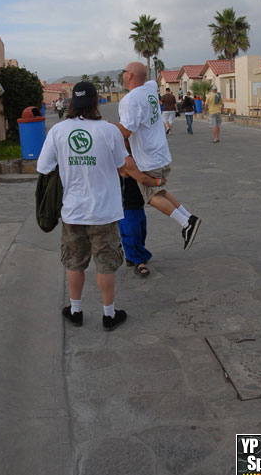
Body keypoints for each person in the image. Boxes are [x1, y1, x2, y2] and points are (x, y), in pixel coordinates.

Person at [37, 81, 129, 331]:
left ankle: (75, 310)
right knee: (106, 263)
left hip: (73, 210)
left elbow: (43, 167)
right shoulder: (110, 131)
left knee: (74, 262)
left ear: (71, 104)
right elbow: (122, 166)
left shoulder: (58, 130)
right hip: (104, 211)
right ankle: (109, 315)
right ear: (95, 102)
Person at [117, 62, 201, 251]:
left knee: (151, 196)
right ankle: (189, 216)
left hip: (148, 157)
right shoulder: (150, 88)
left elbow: (125, 132)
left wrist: (105, 128)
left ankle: (185, 223)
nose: (122, 74)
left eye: (124, 72)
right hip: (161, 153)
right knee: (160, 190)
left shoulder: (130, 101)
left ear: (130, 76)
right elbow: (151, 82)